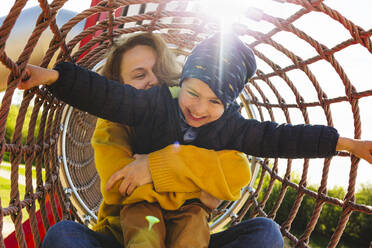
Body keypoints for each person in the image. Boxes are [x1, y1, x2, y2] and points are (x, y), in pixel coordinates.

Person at [23, 31, 372, 246]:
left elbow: (269, 146)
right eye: (139, 75)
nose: (200, 109)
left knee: (264, 233)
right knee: (68, 236)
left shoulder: (228, 124)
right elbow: (105, 103)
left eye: (215, 101)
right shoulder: (146, 107)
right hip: (136, 221)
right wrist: (55, 76)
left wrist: (347, 144)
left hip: (189, 219)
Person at [39, 32, 283, 248]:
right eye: (139, 74)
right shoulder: (109, 127)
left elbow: (236, 171)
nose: (153, 80)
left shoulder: (195, 115)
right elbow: (120, 186)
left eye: (158, 70)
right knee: (63, 235)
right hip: (124, 236)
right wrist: (202, 188)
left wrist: (156, 167)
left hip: (191, 235)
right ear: (119, 86)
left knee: (266, 233)